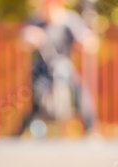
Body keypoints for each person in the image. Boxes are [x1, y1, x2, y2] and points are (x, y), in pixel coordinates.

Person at [15, 0, 97, 137]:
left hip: (63, 68)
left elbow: (89, 41)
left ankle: (90, 131)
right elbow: (23, 40)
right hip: (41, 71)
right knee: (36, 102)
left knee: (80, 92)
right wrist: (30, 38)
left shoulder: (69, 20)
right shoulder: (36, 21)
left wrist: (86, 41)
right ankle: (17, 135)